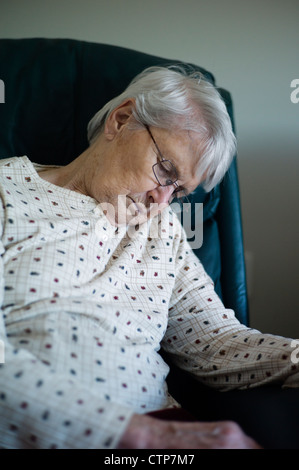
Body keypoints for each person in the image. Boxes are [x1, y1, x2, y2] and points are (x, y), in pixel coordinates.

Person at [0, 66, 298, 450]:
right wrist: (136, 434)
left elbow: (215, 343)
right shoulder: (8, 192)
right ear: (122, 120)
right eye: (166, 170)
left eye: (178, 191)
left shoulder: (164, 229)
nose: (161, 200)